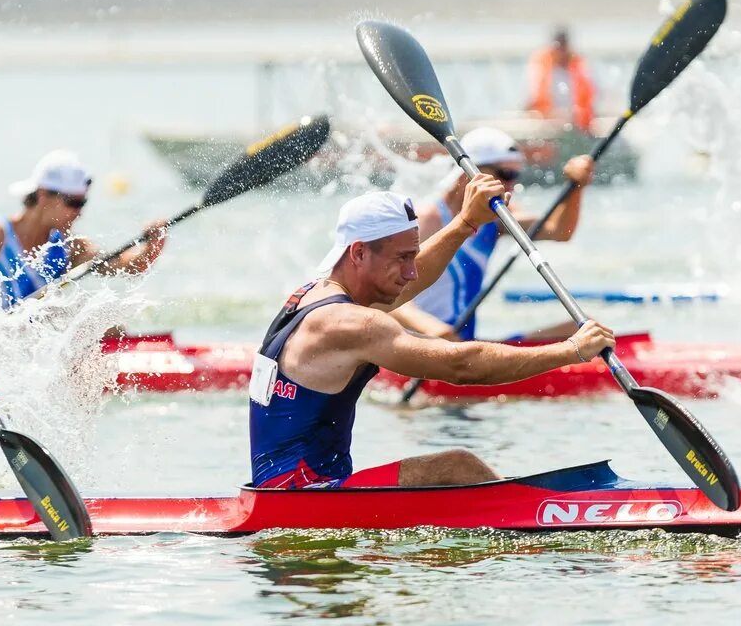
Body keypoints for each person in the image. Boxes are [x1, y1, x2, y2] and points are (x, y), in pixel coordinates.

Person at [248, 187, 615, 489]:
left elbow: (414, 276)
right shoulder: (350, 325)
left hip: (286, 486)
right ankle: (540, 517)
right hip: (302, 494)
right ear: (359, 252)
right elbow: (460, 366)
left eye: (413, 256)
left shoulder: (313, 294)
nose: (410, 272)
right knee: (457, 467)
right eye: (402, 258)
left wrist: (466, 222)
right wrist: (571, 351)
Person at [402, 126, 595, 342]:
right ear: (468, 172)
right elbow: (385, 299)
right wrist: (432, 329)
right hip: (420, 344)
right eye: (505, 174)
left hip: (464, 346)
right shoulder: (428, 219)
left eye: (515, 175)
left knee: (586, 330)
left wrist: (576, 187)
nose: (510, 185)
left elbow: (559, 231)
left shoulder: (496, 216)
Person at [0, 149, 166, 306]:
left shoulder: (70, 246)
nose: (79, 210)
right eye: (73, 202)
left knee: (111, 330)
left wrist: (154, 244)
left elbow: (131, 265)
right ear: (43, 195)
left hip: (31, 342)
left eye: (83, 202)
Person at [526, 27, 595, 132]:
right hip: (547, 124)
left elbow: (591, 99)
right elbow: (531, 101)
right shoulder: (539, 68)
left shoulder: (580, 67)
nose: (561, 51)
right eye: (558, 47)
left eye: (563, 46)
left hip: (576, 123)